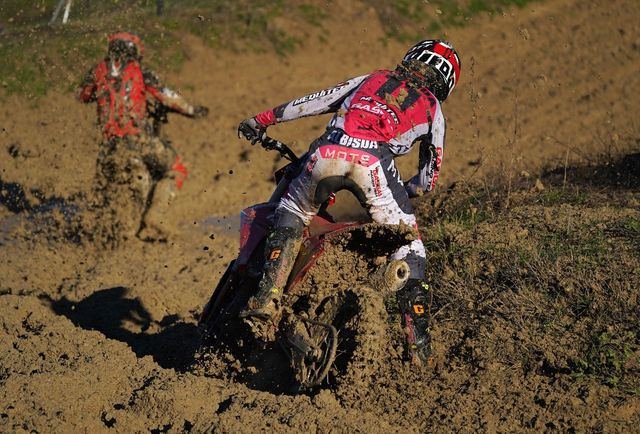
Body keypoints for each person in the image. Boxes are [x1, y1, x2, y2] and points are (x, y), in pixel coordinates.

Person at [237, 40, 461, 363]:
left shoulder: (373, 78)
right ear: (445, 83)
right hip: (374, 169)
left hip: (326, 153)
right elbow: (428, 180)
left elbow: (313, 102)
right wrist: (405, 190)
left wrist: (262, 119)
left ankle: (267, 295)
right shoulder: (433, 109)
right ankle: (418, 344)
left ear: (412, 58)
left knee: (292, 209)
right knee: (411, 249)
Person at [77, 32, 208, 244]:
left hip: (109, 146)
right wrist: (193, 110)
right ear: (136, 51)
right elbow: (169, 98)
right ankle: (154, 217)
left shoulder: (96, 71)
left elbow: (83, 95)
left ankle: (111, 226)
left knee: (109, 182)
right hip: (138, 140)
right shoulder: (142, 73)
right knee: (176, 168)